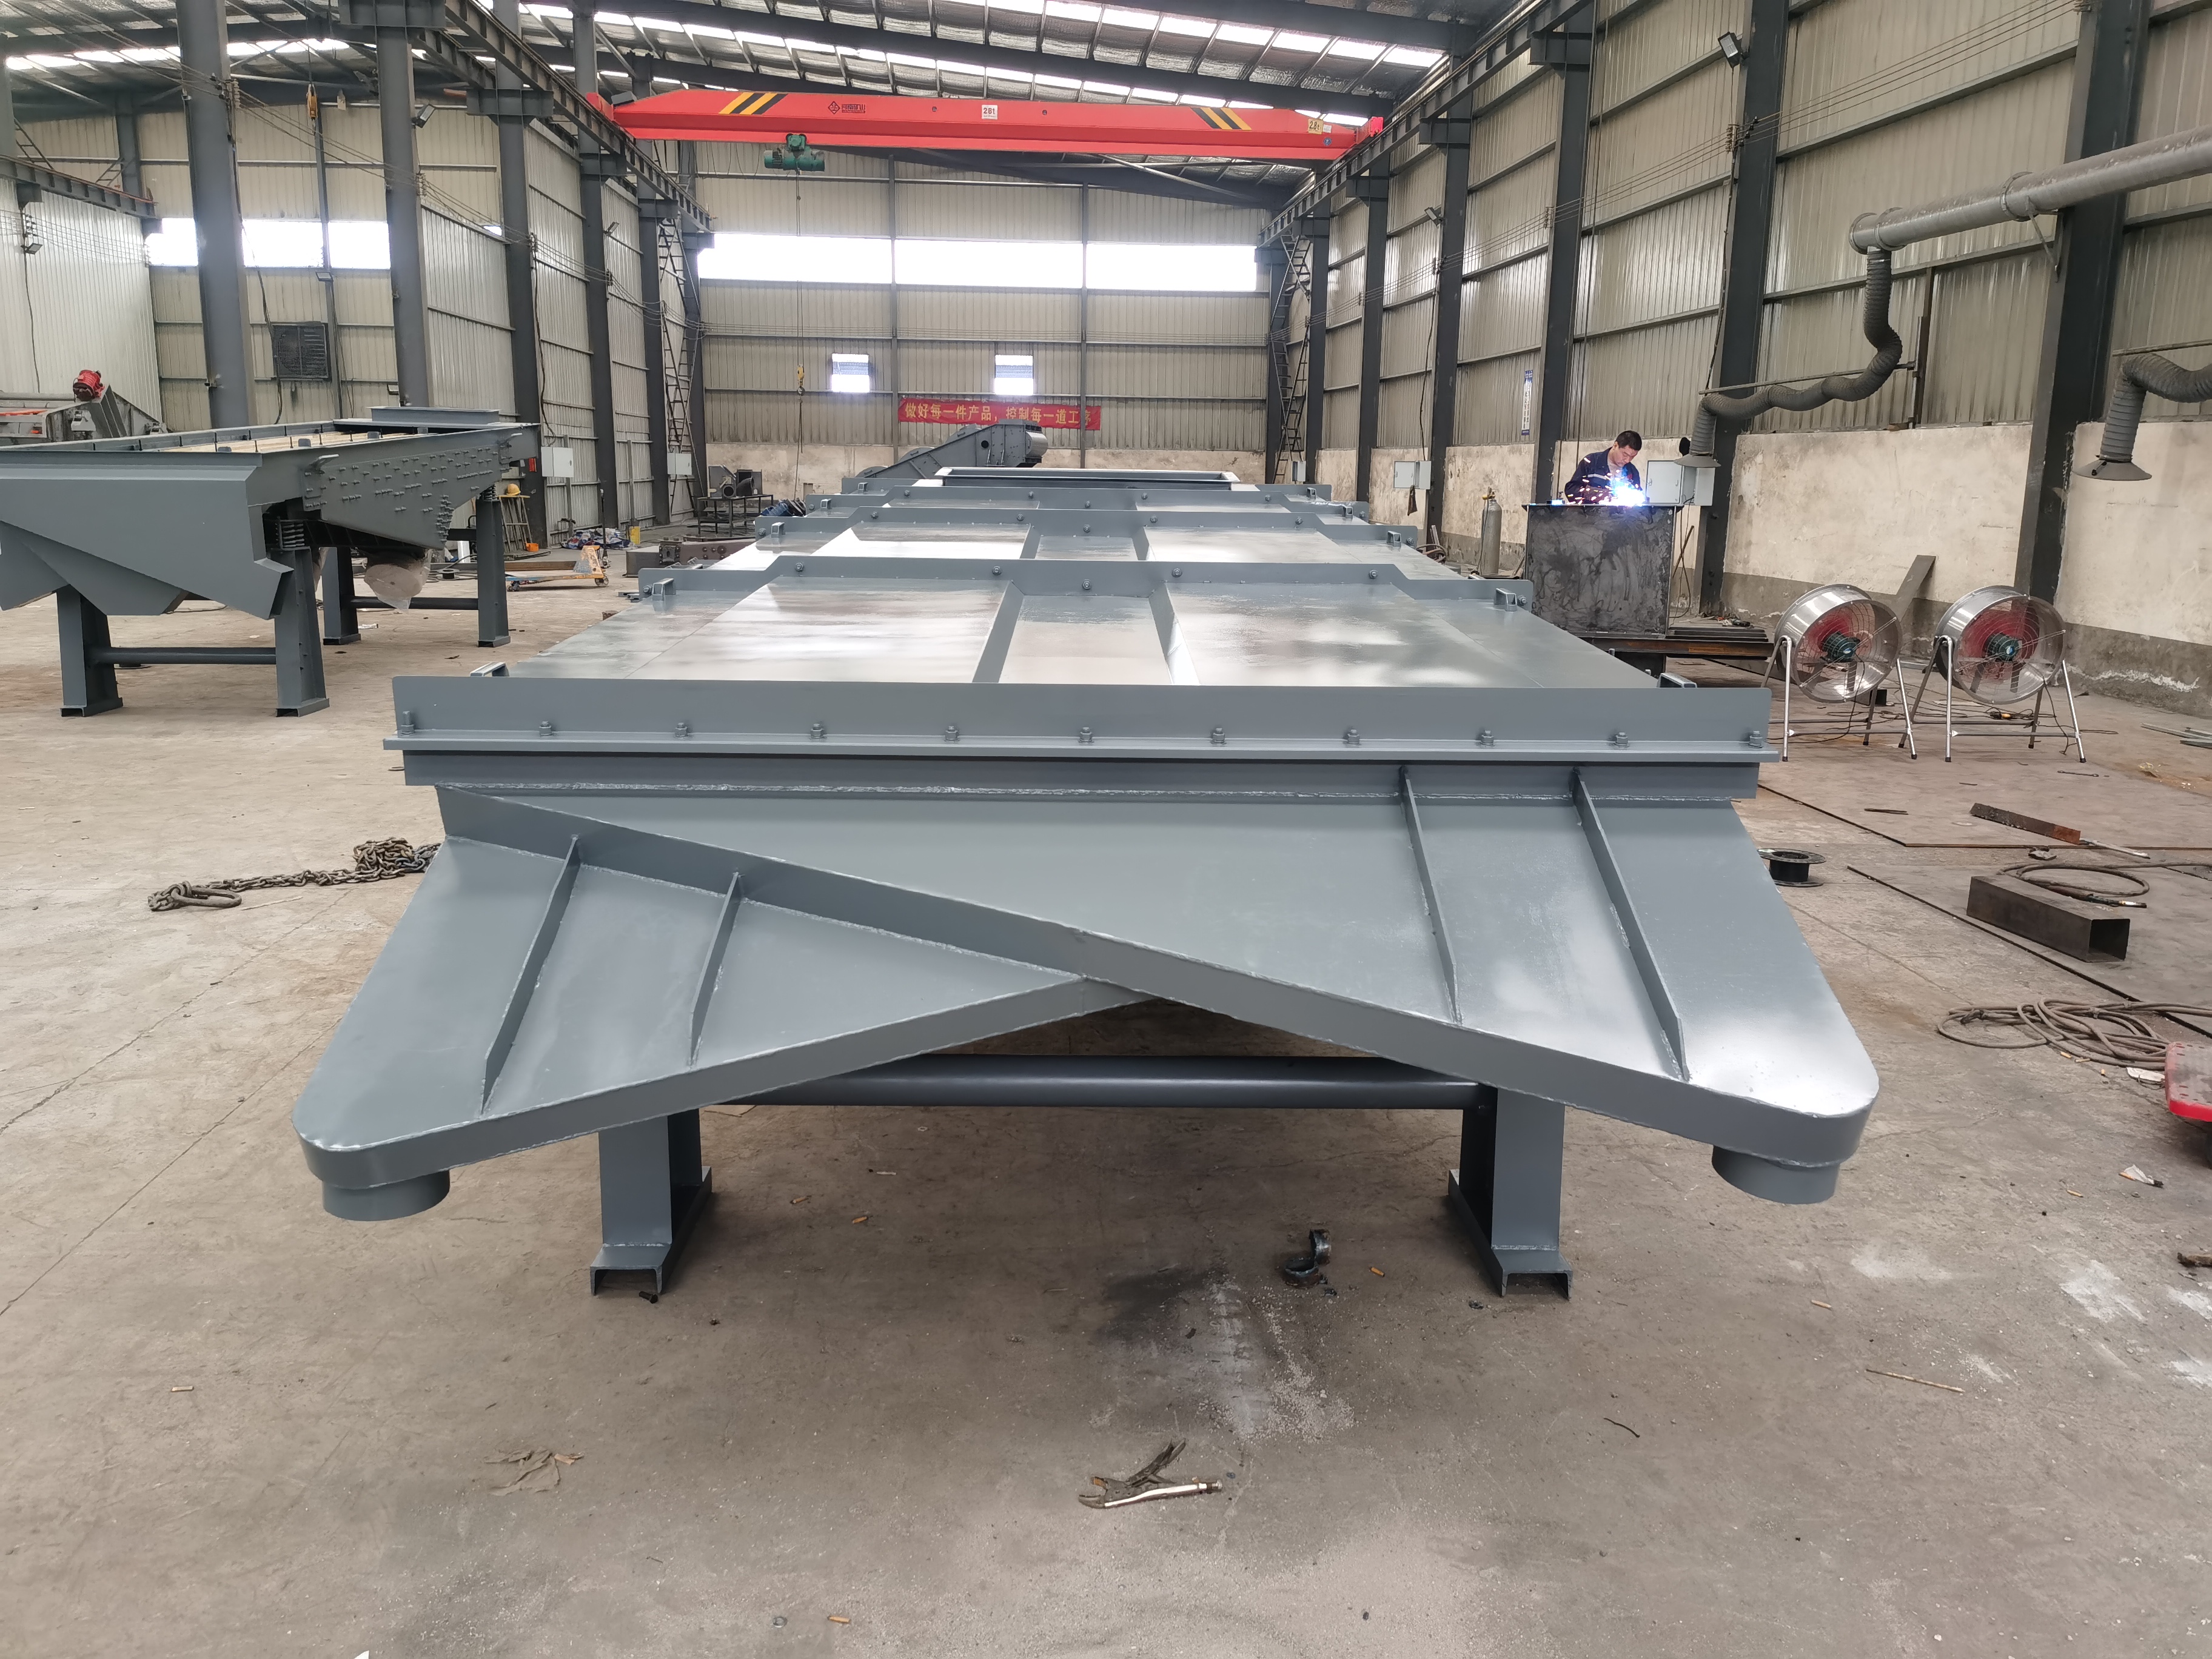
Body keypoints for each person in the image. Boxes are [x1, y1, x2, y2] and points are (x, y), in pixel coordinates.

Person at [1562, 431, 1644, 504]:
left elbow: (1638, 498)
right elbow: (1571, 490)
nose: (1628, 460)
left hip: (1620, 516)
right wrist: (1595, 494)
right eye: (1625, 455)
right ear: (1615, 446)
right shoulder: (1591, 462)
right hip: (1591, 516)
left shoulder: (1632, 471)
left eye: (1632, 456)